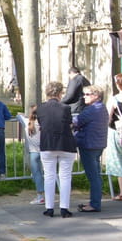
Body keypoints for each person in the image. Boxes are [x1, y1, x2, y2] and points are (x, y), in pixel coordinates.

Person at [37, 81, 77, 218]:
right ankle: (64, 208)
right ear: (60, 93)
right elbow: (69, 124)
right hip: (65, 144)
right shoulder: (65, 108)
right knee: (65, 177)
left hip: (47, 144)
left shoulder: (40, 108)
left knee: (49, 176)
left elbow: (42, 124)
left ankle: (49, 208)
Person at [73, 85, 108, 213]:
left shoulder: (92, 110)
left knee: (93, 176)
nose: (84, 97)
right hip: (98, 145)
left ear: (96, 96)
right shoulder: (101, 107)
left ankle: (94, 204)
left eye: (87, 94)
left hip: (89, 145)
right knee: (96, 175)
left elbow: (76, 121)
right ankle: (95, 201)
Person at [17, 106, 45, 204]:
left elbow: (18, 116)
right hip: (45, 150)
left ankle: (40, 196)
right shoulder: (44, 123)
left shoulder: (27, 122)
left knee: (37, 174)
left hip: (34, 152)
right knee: (50, 174)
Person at [105, 73, 122, 202]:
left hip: (118, 132)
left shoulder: (115, 99)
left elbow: (108, 117)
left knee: (119, 160)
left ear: (118, 84)